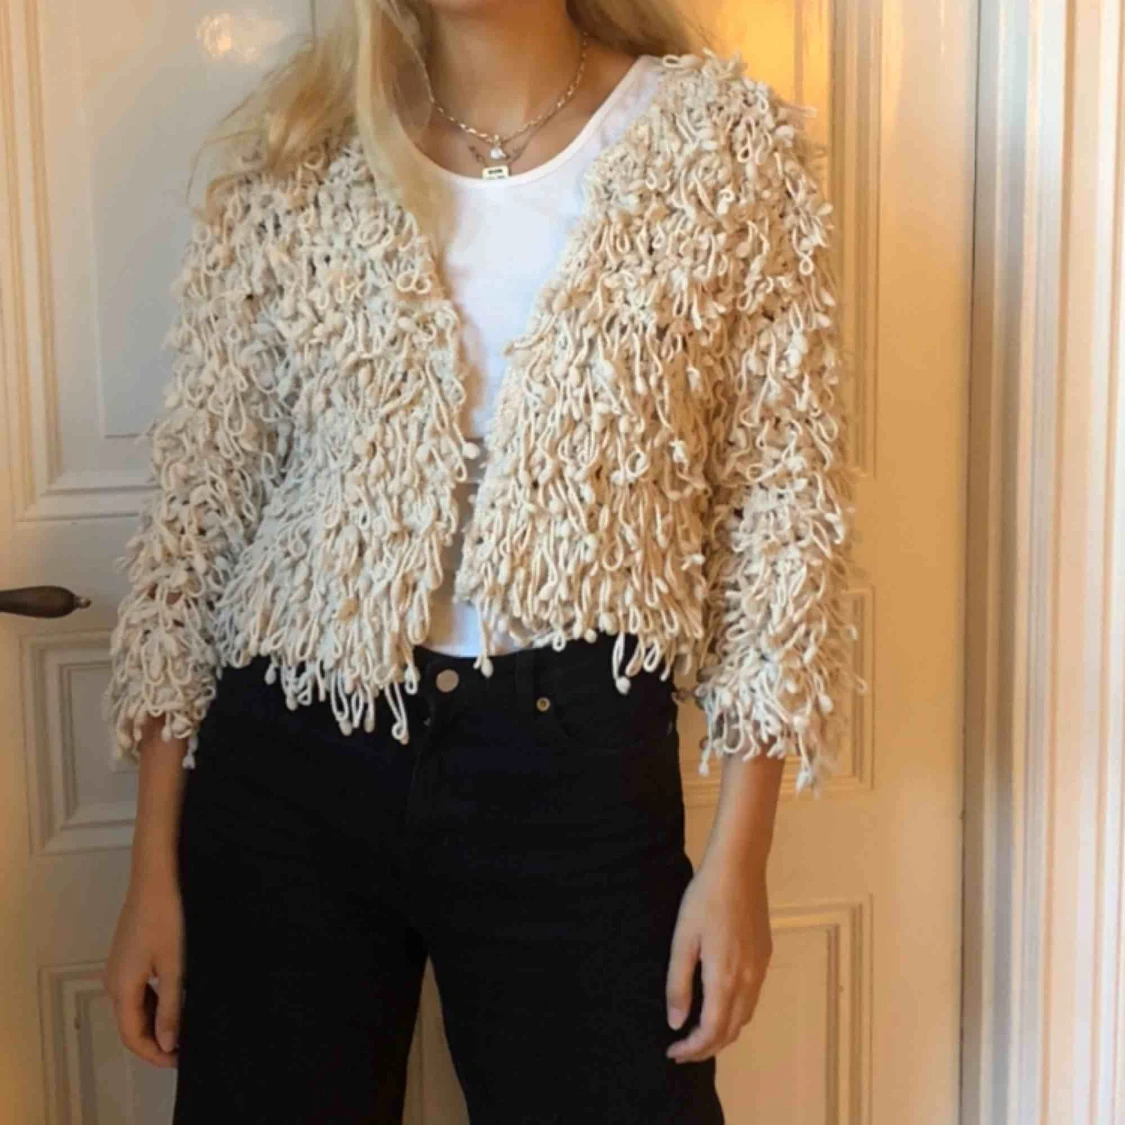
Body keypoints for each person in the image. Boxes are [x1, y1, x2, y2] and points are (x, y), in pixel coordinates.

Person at [101, 1, 855, 1121]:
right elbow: (198, 517)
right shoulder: (303, 152)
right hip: (296, 754)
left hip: (574, 764)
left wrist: (739, 858)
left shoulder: (722, 144)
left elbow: (782, 511)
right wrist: (151, 867)